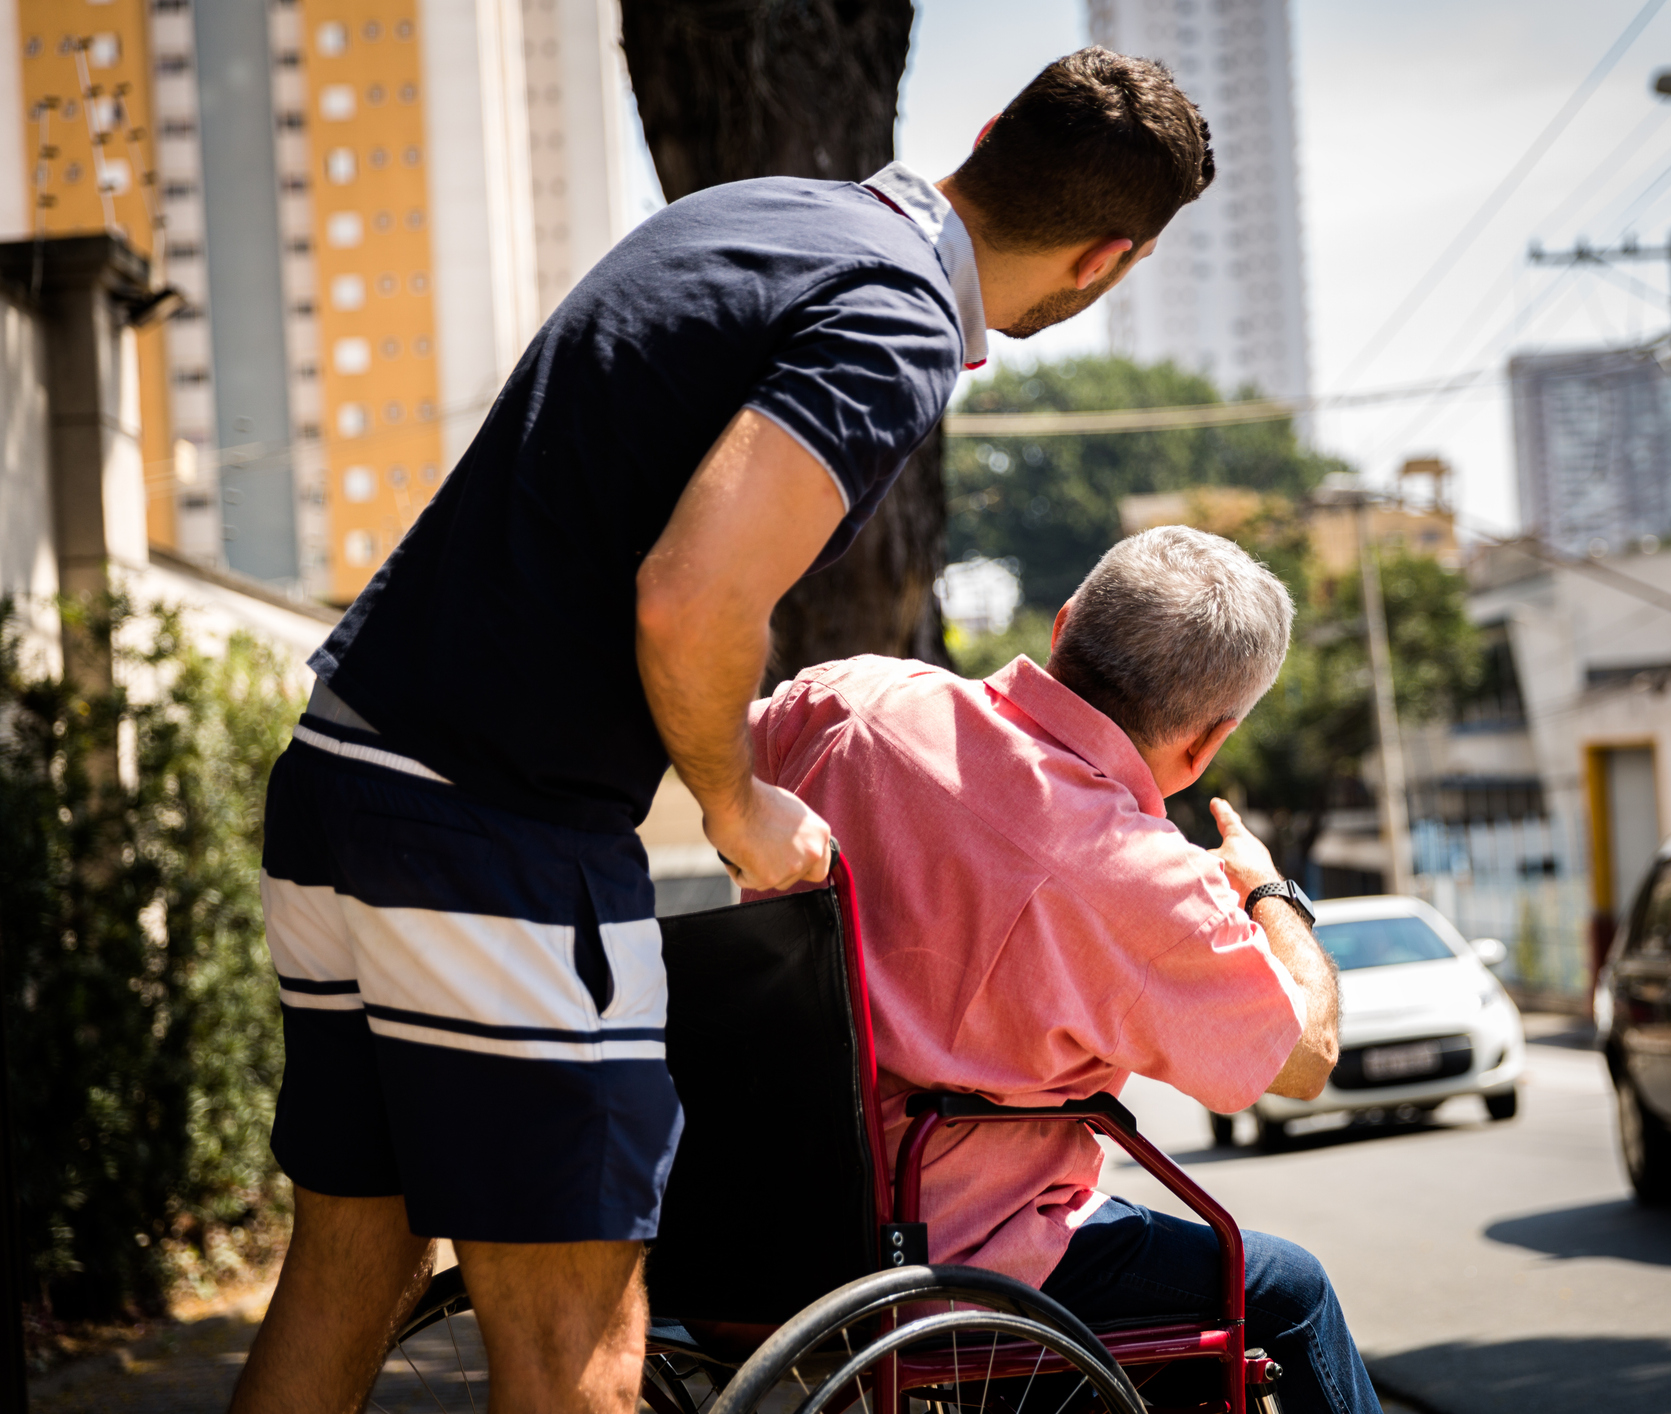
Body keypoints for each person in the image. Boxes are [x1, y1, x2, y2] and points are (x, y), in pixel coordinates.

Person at [231, 49, 1215, 1414]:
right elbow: (694, 595)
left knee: (346, 1266)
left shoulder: (759, 215)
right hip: (493, 829)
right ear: (1107, 260)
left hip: (342, 772)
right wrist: (739, 804)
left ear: (985, 132)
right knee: (581, 1335)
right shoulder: (895, 316)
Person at [748, 527, 1384, 1414]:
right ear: (1210, 743)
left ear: (1063, 627)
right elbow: (1307, 1058)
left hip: (748, 1224)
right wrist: (1267, 891)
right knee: (1288, 1290)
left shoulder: (859, 698)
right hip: (960, 1258)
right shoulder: (1146, 879)